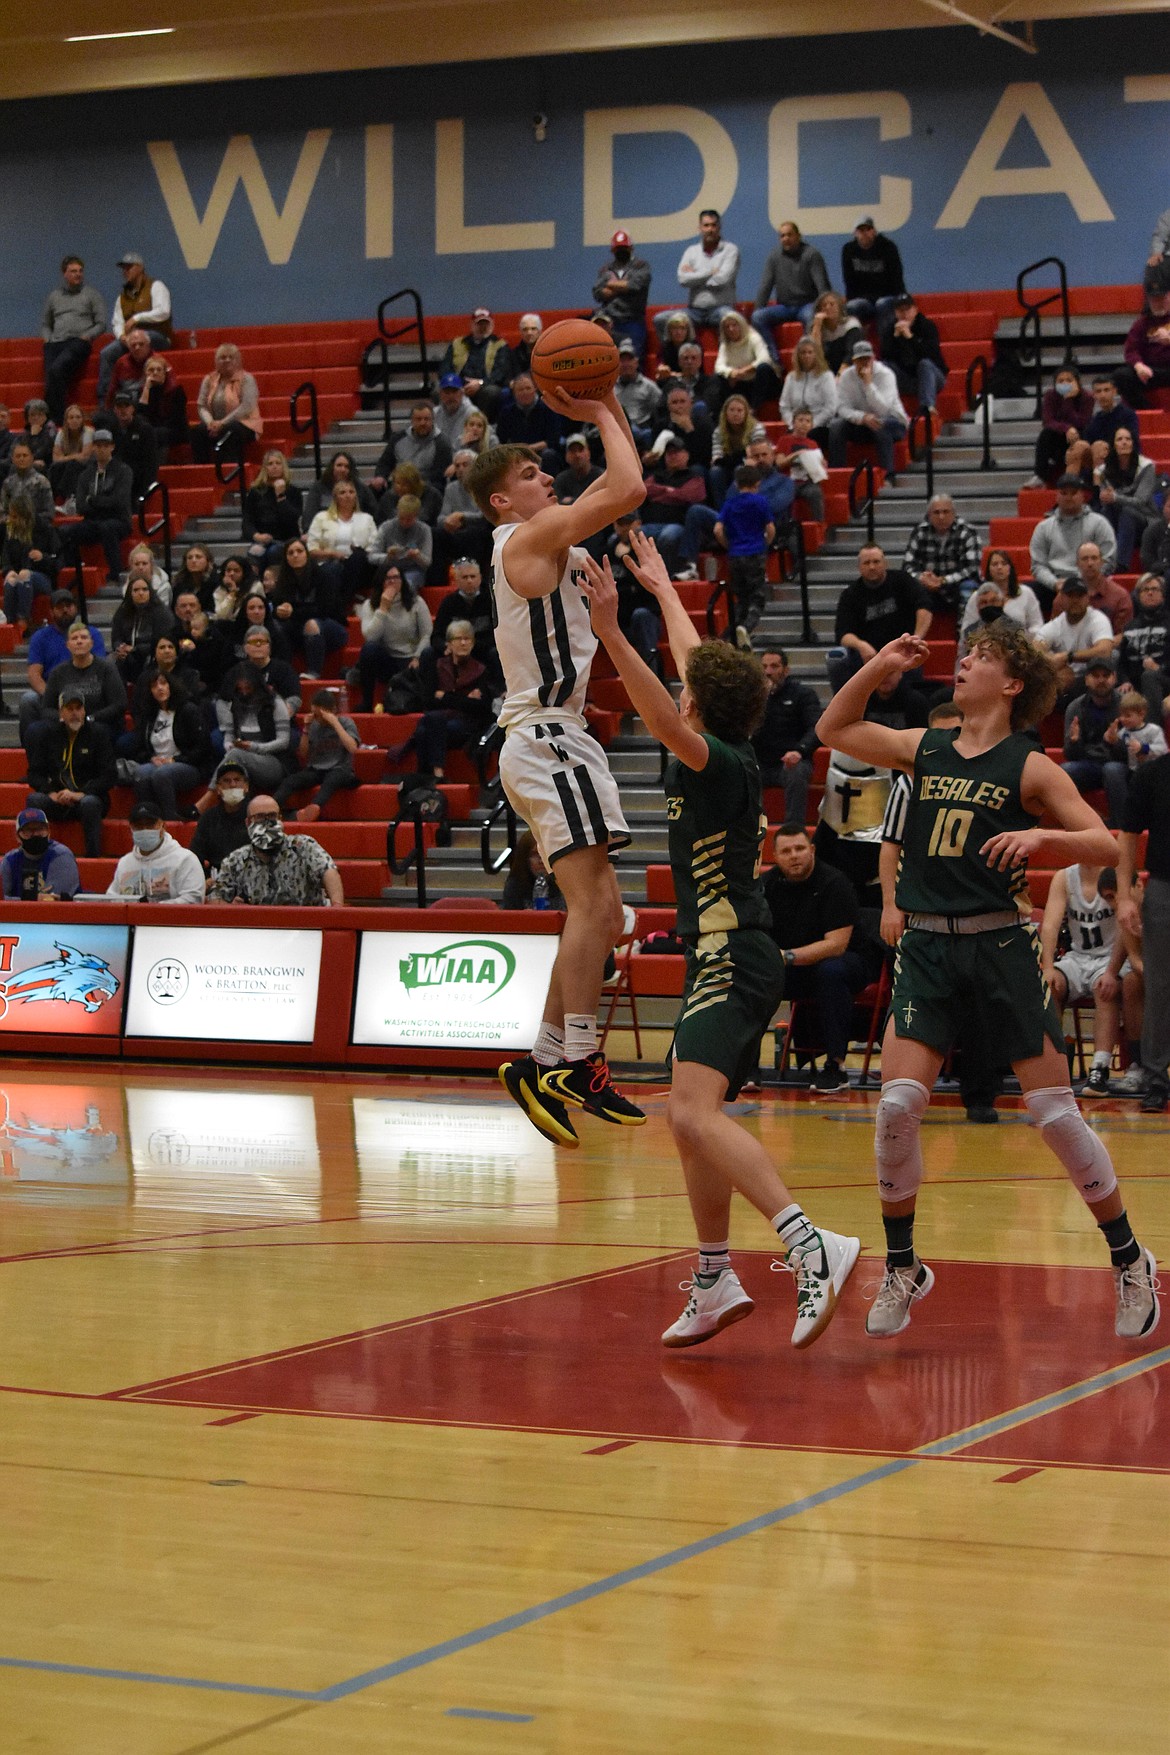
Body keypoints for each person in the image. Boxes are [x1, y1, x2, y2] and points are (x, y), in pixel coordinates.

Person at [816, 619, 1160, 1340]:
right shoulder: (925, 746)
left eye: (980, 657)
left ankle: (1129, 1258)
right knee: (897, 1104)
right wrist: (879, 663)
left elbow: (1102, 839)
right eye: (964, 653)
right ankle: (903, 1263)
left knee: (1056, 1115)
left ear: (1011, 684)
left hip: (1001, 945)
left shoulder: (1029, 765)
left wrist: (1044, 838)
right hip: (929, 949)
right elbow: (833, 726)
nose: (962, 661)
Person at [579, 531, 860, 1346]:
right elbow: (696, 667)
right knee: (690, 1115)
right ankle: (712, 1277)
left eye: (686, 687)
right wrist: (666, 591)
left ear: (698, 704)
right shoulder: (727, 740)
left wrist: (609, 632)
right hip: (726, 954)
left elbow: (663, 710)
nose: (678, 682)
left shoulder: (717, 759)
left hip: (734, 955)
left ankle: (813, 1245)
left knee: (692, 1113)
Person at [468, 376, 647, 1139]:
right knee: (589, 906)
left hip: (557, 735)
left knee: (603, 910)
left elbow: (618, 482)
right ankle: (576, 1058)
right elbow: (630, 486)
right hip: (544, 734)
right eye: (531, 475)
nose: (548, 478)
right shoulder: (524, 539)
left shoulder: (552, 539)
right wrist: (602, 407)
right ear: (502, 502)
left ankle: (541, 1060)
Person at [879, 699, 1006, 1124]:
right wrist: (890, 904)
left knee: (982, 1009)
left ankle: (981, 1094)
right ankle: (911, 1094)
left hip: (978, 910)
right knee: (921, 1007)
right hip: (926, 914)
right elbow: (891, 843)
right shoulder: (911, 778)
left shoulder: (995, 771)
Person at [765, 822, 884, 1094]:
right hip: (795, 965)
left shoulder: (835, 883)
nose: (794, 855)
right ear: (775, 856)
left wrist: (786, 956)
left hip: (850, 963)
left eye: (799, 848)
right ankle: (745, 1067)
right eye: (786, 851)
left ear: (813, 850)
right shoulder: (768, 885)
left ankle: (836, 1066)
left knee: (830, 971)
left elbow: (836, 946)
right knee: (754, 975)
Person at [1042, 862, 1128, 1095]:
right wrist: (1048, 967)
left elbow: (1124, 928)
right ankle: (1053, 1066)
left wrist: (1112, 971)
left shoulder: (1114, 875)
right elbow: (1049, 925)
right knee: (1050, 986)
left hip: (1110, 958)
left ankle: (1099, 1069)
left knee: (1105, 989)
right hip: (1077, 957)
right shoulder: (1064, 877)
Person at [1117, 752, 1170, 1113]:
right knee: (1160, 985)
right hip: (1164, 886)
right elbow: (1128, 836)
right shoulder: (1154, 774)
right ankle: (1156, 1079)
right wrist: (1124, 894)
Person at [826, 544, 932, 695]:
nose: (872, 567)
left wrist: (916, 639)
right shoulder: (850, 594)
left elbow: (924, 607)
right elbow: (843, 634)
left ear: (885, 563)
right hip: (867, 657)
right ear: (859, 567)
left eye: (876, 562)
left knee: (914, 657)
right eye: (866, 563)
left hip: (903, 650)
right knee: (836, 659)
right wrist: (861, 645)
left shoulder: (902, 580)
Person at [25, 691, 116, 859]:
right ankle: (35, 855)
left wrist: (80, 794)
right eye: (69, 708)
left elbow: (109, 775)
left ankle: (93, 857)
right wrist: (50, 793)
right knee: (34, 800)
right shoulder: (48, 735)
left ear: (84, 711)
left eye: (78, 708)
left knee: (90, 803)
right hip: (58, 799)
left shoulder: (99, 734)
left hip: (88, 798)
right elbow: (34, 774)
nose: (74, 713)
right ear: (61, 713)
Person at [208, 795, 343, 905]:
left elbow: (329, 871)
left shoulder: (303, 845)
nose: (267, 822)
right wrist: (233, 911)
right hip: (259, 931)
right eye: (260, 817)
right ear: (248, 823)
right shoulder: (236, 860)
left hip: (306, 927)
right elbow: (216, 897)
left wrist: (337, 909)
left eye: (272, 816)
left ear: (280, 819)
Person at [126, 671, 210, 821]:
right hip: (158, 762)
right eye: (154, 686)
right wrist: (151, 758)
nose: (159, 688)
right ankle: (148, 819)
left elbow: (203, 747)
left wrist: (176, 759)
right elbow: (138, 748)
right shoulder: (149, 714)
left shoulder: (188, 710)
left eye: (163, 683)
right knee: (141, 773)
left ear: (171, 686)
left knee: (162, 774)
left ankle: (170, 819)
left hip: (187, 764)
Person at [751, 647, 820, 823]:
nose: (768, 672)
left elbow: (816, 729)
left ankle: (794, 827)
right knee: (743, 770)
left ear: (786, 670)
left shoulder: (803, 695)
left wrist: (799, 751)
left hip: (792, 759)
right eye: (764, 667)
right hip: (762, 762)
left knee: (796, 773)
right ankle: (750, 828)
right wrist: (760, 700)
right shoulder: (753, 697)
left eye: (774, 666)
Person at [96, 252, 173, 406]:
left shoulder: (156, 286)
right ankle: (105, 402)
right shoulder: (122, 297)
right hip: (131, 339)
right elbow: (117, 322)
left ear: (140, 268)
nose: (125, 272)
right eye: (123, 269)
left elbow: (163, 311)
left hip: (158, 336)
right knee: (107, 353)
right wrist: (121, 336)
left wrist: (137, 319)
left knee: (140, 341)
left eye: (129, 268)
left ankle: (149, 392)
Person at [60, 429, 133, 587]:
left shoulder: (123, 471)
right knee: (65, 531)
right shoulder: (85, 475)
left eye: (105, 445)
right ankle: (75, 572)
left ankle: (115, 573)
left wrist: (93, 501)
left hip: (119, 520)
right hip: (92, 521)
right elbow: (80, 506)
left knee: (108, 527)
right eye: (98, 445)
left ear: (112, 447)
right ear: (93, 447)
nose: (101, 449)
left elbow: (118, 502)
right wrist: (101, 502)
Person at [828, 341, 909, 482]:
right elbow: (841, 408)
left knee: (879, 423)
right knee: (836, 426)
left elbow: (883, 410)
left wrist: (868, 384)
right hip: (862, 423)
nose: (864, 363)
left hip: (893, 422)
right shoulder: (846, 377)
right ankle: (837, 474)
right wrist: (862, 417)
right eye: (860, 359)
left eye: (867, 359)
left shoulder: (886, 374)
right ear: (854, 361)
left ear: (873, 358)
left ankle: (888, 476)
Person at [274, 688, 360, 821]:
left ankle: (314, 807)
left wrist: (335, 722)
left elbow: (352, 747)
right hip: (316, 768)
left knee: (332, 780)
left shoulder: (345, 723)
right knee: (291, 781)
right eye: (314, 714)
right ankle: (272, 808)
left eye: (320, 714)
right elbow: (303, 754)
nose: (317, 718)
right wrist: (306, 729)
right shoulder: (314, 725)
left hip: (340, 768)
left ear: (331, 710)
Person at [714, 465, 775, 650]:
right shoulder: (760, 502)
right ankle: (746, 627)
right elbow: (770, 528)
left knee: (740, 598)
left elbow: (717, 529)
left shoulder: (730, 503)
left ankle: (731, 637)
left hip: (735, 554)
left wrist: (729, 545)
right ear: (758, 483)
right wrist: (765, 545)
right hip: (755, 552)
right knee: (757, 596)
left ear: (736, 483)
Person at [356, 564, 432, 711]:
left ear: (402, 580)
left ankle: (427, 702)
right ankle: (367, 702)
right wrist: (383, 609)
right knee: (369, 649)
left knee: (429, 654)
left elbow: (427, 633)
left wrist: (417, 656)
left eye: (396, 577)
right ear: (381, 582)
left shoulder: (416, 602)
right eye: (388, 578)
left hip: (412, 659)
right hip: (388, 660)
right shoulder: (369, 605)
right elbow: (370, 636)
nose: (392, 582)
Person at [655, 210, 739, 342]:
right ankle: (671, 357)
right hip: (694, 312)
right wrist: (710, 273)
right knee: (660, 319)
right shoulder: (691, 251)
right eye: (706, 225)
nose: (710, 229)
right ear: (699, 228)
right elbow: (682, 279)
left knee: (731, 319)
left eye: (713, 225)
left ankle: (730, 361)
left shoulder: (730, 250)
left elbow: (722, 279)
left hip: (721, 309)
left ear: (719, 227)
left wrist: (694, 275)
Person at [42, 256, 107, 424]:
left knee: (56, 370)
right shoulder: (54, 296)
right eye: (73, 271)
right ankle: (55, 419)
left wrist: (87, 336)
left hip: (78, 342)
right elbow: (45, 324)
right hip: (55, 342)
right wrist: (48, 339)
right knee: (52, 376)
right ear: (65, 274)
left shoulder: (92, 295)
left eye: (80, 271)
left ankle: (55, 419)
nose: (78, 274)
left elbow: (101, 323)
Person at [1029, 476, 1116, 601]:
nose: (1069, 497)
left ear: (1082, 496)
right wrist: (1054, 583)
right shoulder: (1043, 527)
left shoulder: (1099, 523)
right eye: (1064, 493)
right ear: (1057, 496)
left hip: (1090, 583)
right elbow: (1038, 565)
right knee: (1020, 595)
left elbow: (1108, 560)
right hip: (1054, 585)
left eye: (1074, 493)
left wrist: (1084, 580)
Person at [750, 220, 831, 355]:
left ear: (798, 236)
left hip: (808, 304)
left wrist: (825, 310)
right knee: (758, 317)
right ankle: (773, 360)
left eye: (789, 235)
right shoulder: (774, 257)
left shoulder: (812, 254)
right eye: (782, 236)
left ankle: (812, 360)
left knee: (811, 317)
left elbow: (822, 285)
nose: (786, 239)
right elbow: (765, 287)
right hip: (785, 307)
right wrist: (757, 310)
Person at [1035, 578, 1114, 706]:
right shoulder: (1056, 625)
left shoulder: (1098, 619)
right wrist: (1052, 662)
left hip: (1092, 678)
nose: (1075, 600)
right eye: (1070, 596)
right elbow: (1036, 649)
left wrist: (1068, 656)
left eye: (1080, 596)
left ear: (1087, 598)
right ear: (1061, 598)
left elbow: (1105, 651)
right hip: (1064, 681)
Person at [106, 802, 204, 903]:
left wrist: (153, 910)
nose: (144, 829)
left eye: (150, 825)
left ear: (163, 826)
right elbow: (111, 898)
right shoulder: (125, 863)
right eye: (138, 826)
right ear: (131, 828)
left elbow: (193, 899)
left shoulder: (185, 859)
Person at [902, 494, 982, 616]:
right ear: (929, 515)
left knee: (969, 587)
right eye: (936, 512)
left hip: (957, 586)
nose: (941, 516)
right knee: (906, 590)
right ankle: (914, 634)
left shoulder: (967, 531)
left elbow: (972, 569)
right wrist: (922, 578)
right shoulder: (919, 532)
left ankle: (966, 633)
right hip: (927, 588)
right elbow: (907, 567)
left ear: (954, 513)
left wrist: (943, 580)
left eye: (946, 512)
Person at [1095, 428, 1159, 568]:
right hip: (1117, 520)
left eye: (1128, 439)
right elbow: (1107, 498)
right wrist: (1104, 496)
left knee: (1127, 512)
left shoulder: (1146, 467)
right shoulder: (1103, 471)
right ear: (1114, 445)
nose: (1124, 442)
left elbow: (1140, 501)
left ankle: (1120, 564)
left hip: (1144, 520)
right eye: (1119, 439)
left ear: (1133, 443)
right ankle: (1104, 559)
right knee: (1105, 512)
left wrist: (1116, 497)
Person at [192, 344, 262, 463]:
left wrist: (222, 423)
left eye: (231, 357)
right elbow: (202, 406)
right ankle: (203, 469)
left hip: (244, 423)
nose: (227, 360)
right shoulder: (209, 379)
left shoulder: (247, 379)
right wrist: (210, 423)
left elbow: (247, 407)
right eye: (223, 358)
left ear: (238, 360)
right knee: (197, 431)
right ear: (216, 361)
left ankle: (230, 468)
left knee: (230, 431)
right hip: (215, 424)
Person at [440, 310, 513, 421]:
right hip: (459, 385)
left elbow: (500, 373)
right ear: (472, 325)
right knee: (438, 391)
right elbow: (445, 368)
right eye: (479, 324)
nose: (483, 327)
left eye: (486, 324)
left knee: (492, 392)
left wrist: (480, 383)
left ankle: (481, 426)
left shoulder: (500, 345)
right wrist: (457, 385)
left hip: (485, 386)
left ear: (492, 325)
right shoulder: (457, 343)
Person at [1114, 265, 1170, 410]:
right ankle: (1149, 413)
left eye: (1161, 298)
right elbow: (1131, 350)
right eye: (1154, 299)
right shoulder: (1142, 323)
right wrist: (1139, 366)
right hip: (1153, 371)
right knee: (1121, 376)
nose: (1157, 303)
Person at [1116, 572, 1169, 722]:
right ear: (1138, 595)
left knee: (1149, 676)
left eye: (1155, 589)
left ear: (1163, 595)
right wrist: (1124, 681)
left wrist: (1160, 669)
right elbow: (1121, 663)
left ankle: (1151, 731)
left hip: (1164, 679)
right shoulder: (1130, 627)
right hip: (1135, 683)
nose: (1150, 593)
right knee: (1114, 692)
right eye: (1145, 590)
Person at [591, 229, 651, 357]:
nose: (621, 251)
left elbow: (636, 285)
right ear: (613, 250)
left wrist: (610, 284)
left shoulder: (641, 266)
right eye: (618, 249)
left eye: (624, 248)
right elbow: (597, 292)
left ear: (631, 248)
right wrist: (623, 286)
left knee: (632, 358)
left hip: (633, 320)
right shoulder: (606, 269)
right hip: (610, 322)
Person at [883, 294, 949, 411]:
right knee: (884, 366)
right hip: (906, 379)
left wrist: (910, 337)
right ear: (895, 312)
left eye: (907, 309)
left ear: (915, 310)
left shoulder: (927, 326)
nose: (904, 314)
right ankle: (885, 408)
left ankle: (927, 408)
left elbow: (931, 355)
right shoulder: (890, 329)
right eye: (900, 310)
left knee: (925, 364)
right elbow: (886, 356)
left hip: (932, 378)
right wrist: (896, 338)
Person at [2, 494, 58, 630]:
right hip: (19, 574)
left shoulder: (44, 528)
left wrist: (43, 556)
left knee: (24, 576)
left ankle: (23, 619)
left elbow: (58, 559)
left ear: (24, 515)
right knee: (11, 582)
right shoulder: (11, 533)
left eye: (15, 517)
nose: (11, 520)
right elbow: (5, 558)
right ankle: (10, 622)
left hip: (43, 577)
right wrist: (8, 571)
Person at [1, 806, 80, 901]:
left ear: (49, 832)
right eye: (29, 830)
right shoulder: (10, 860)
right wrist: (33, 898)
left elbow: (53, 899)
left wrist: (18, 900)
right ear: (18, 836)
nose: (36, 834)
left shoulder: (61, 855)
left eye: (41, 829)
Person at [109, 576, 177, 685]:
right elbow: (116, 637)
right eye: (136, 590)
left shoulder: (162, 614)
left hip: (151, 656)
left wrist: (135, 649)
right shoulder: (123, 611)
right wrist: (120, 648)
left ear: (150, 591)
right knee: (111, 663)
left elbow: (162, 641)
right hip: (128, 656)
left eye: (145, 589)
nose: (141, 593)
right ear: (130, 593)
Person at [190, 757, 252, 876]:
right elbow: (195, 856)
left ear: (246, 786)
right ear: (218, 788)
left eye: (237, 780)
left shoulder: (255, 815)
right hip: (217, 880)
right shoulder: (208, 818)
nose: (233, 785)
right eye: (227, 781)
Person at [960, 551, 1042, 640]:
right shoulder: (978, 596)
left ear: (1009, 568)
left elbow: (1037, 625)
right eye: (995, 564)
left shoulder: (1026, 593)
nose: (999, 567)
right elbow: (967, 629)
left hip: (1019, 643)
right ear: (989, 570)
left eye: (1004, 563)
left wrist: (1025, 639)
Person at [244, 449, 303, 570]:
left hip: (286, 540)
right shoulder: (256, 492)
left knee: (274, 551)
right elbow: (247, 521)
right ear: (265, 468)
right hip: (262, 540)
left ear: (283, 466)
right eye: (270, 464)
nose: (274, 467)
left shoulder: (293, 492)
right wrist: (257, 536)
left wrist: (280, 497)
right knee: (254, 553)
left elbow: (292, 519)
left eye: (278, 463)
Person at [841, 217, 906, 326]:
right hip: (863, 300)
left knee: (882, 304)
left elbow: (897, 277)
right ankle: (856, 342)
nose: (865, 233)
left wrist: (901, 301)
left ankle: (886, 342)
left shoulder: (888, 247)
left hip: (886, 296)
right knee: (852, 307)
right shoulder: (848, 250)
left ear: (874, 231)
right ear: (855, 233)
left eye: (868, 229)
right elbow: (849, 280)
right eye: (861, 230)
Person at [713, 312, 780, 411]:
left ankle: (753, 409)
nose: (731, 329)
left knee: (763, 368)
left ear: (741, 325)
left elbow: (765, 358)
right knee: (718, 377)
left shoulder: (753, 337)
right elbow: (718, 366)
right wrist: (731, 373)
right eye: (727, 327)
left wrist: (745, 370)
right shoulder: (725, 344)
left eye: (734, 325)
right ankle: (723, 413)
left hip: (763, 384)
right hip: (742, 383)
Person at [778, 336, 837, 448]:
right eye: (803, 353)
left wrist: (810, 424)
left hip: (820, 425)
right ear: (798, 355)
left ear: (816, 354)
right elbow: (784, 406)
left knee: (808, 437)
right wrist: (794, 424)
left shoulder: (826, 376)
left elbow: (830, 408)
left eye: (810, 352)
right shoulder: (791, 377)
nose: (807, 356)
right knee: (785, 442)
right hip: (795, 426)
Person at [138, 353, 188, 462]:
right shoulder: (142, 391)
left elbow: (176, 419)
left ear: (165, 373)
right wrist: (146, 388)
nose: (155, 373)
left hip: (175, 429)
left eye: (159, 370)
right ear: (145, 374)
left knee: (156, 434)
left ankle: (156, 467)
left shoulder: (176, 390)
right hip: (153, 429)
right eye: (151, 370)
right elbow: (141, 415)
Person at [501, 829, 565, 911]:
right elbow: (509, 919)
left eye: (546, 854)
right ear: (524, 858)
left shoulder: (568, 882)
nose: (541, 861)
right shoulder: (516, 883)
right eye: (535, 855)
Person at [806, 290, 861, 377]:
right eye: (824, 306)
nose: (828, 307)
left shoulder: (851, 324)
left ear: (839, 307)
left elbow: (851, 354)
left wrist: (839, 376)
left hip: (849, 371)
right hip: (826, 373)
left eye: (832, 304)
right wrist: (817, 326)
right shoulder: (817, 329)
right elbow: (814, 355)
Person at [1, 438, 54, 525]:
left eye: (25, 455)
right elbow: (2, 511)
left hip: (36, 528)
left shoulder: (42, 482)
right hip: (12, 528)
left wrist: (27, 520)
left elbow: (49, 513)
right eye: (18, 456)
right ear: (13, 459)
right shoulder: (8, 483)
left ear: (32, 458)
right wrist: (12, 520)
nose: (21, 459)